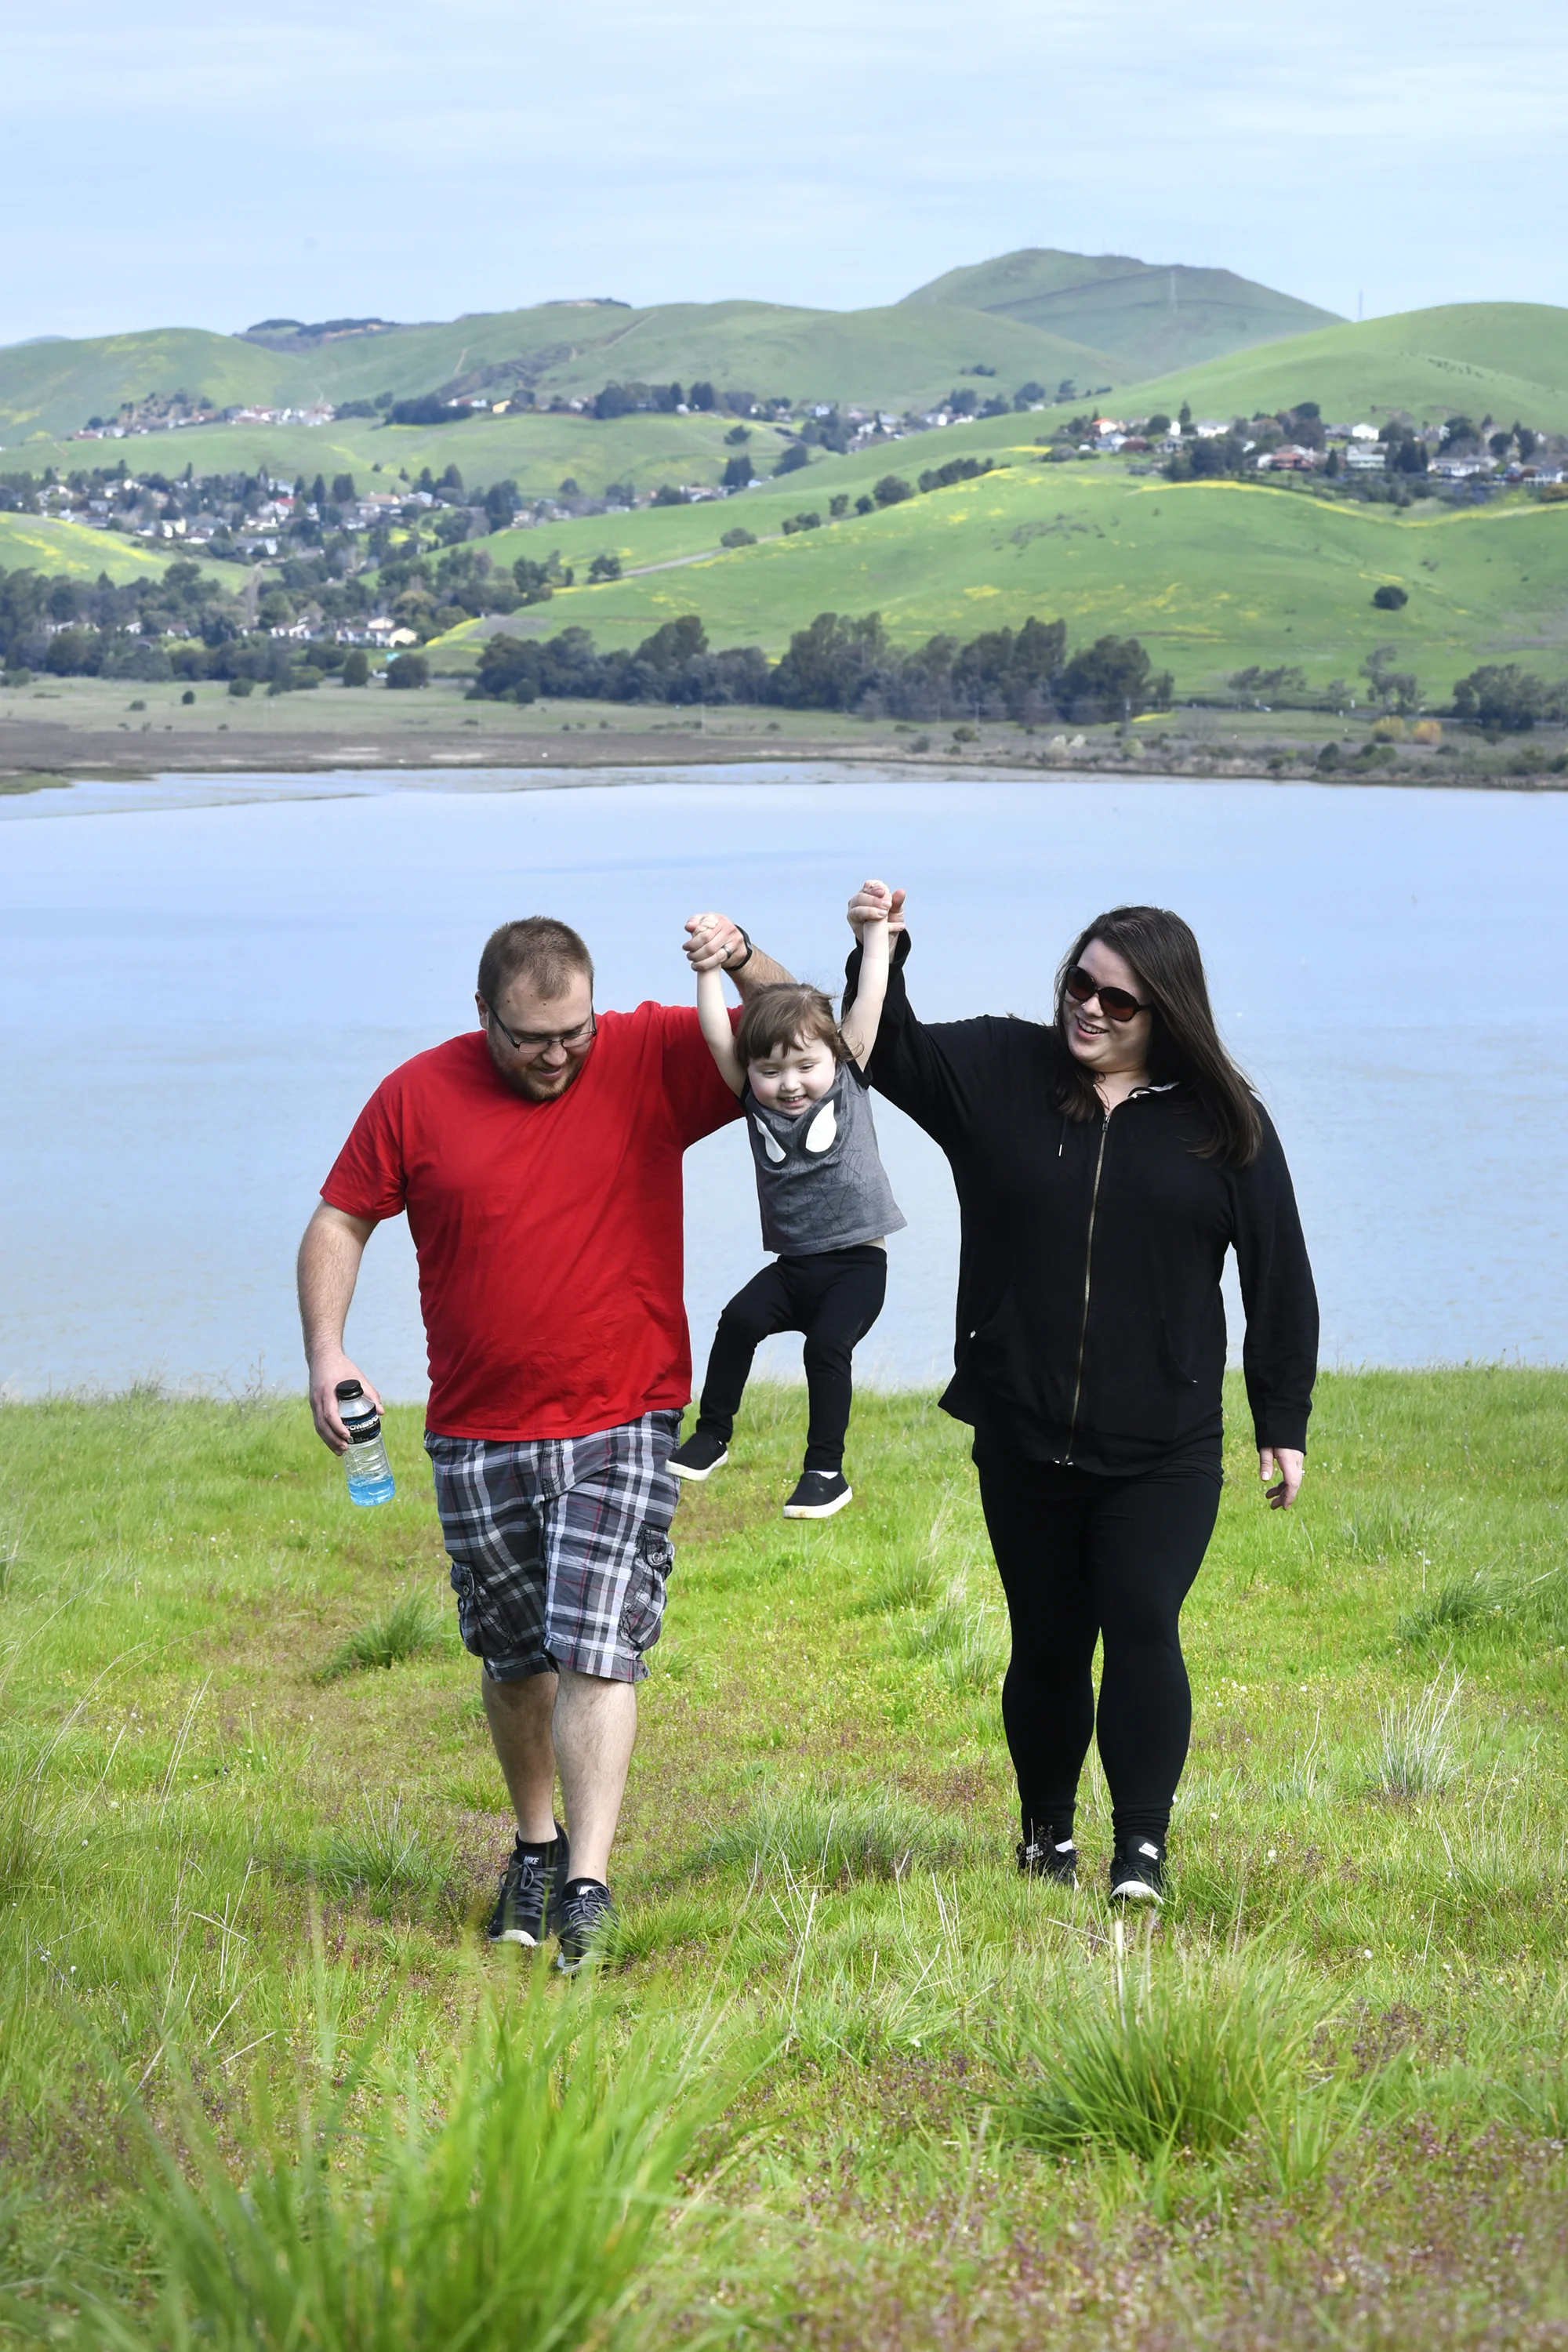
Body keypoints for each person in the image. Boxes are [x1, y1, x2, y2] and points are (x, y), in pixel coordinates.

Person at [296, 909, 792, 1968]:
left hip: (625, 1411)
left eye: (575, 1034)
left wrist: (738, 958)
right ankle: (534, 1843)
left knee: (596, 1644)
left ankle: (587, 1882)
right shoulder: (415, 1095)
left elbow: (799, 1033)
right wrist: (328, 1351)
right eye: (534, 1040)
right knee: (515, 1656)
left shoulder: (650, 1051)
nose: (560, 1056)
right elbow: (340, 1219)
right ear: (484, 1017)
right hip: (476, 1430)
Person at [841, 882, 1318, 1904]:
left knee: (1142, 1615)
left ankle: (1139, 1849)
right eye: (1079, 984)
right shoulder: (1008, 1072)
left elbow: (1280, 1274)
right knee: (1048, 1639)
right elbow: (887, 1052)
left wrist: (1283, 1421)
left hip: (1164, 1442)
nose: (1089, 1010)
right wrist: (881, 948)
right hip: (1022, 1429)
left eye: (1120, 1002)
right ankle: (1044, 1834)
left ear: (1169, 1016)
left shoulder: (1223, 1125)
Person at [669, 893, 905, 1519]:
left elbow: (870, 998)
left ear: (834, 1056)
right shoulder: (751, 1096)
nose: (791, 1082)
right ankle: (712, 1435)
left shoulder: (850, 1073)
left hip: (857, 1266)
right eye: (773, 1070)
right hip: (795, 1267)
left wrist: (876, 936)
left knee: (825, 1346)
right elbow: (719, 1032)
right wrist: (707, 971)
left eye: (806, 1064)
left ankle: (825, 1472)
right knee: (738, 1321)